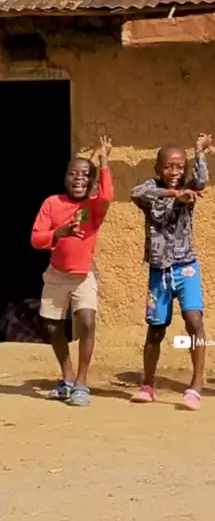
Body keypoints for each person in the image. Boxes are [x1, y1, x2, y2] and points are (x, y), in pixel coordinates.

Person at [130, 134, 212, 410]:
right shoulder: (151, 190)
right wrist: (172, 194)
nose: (174, 172)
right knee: (156, 329)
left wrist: (199, 152)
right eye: (168, 166)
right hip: (159, 271)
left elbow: (202, 181)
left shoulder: (190, 187)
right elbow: (136, 193)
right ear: (158, 168)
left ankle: (196, 386)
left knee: (194, 320)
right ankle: (148, 385)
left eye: (179, 166)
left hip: (186, 267)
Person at [31, 136, 114, 406]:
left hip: (83, 275)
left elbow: (107, 196)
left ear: (92, 182)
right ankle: (67, 377)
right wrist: (59, 233)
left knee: (87, 321)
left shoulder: (94, 207)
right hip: (56, 274)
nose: (79, 178)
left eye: (86, 175)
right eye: (73, 174)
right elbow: (36, 239)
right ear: (65, 178)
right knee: (51, 326)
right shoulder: (52, 203)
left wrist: (103, 161)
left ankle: (81, 383)